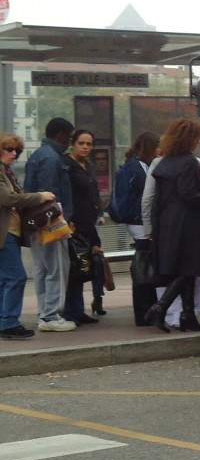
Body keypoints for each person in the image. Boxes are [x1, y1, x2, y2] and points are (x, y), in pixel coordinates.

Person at [143, 119, 200, 333]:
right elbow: (189, 193)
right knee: (189, 268)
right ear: (190, 139)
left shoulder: (161, 163)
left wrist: (149, 227)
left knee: (183, 269)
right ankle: (160, 307)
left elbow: (149, 198)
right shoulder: (191, 163)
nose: (198, 141)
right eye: (197, 138)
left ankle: (187, 316)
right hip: (188, 222)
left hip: (165, 221)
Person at [1, 133, 58, 340]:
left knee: (5, 279)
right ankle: (9, 323)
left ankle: (5, 321)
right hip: (5, 233)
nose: (14, 154)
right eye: (9, 149)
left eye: (17, 151)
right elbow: (7, 198)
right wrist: (39, 197)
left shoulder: (7, 172)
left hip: (12, 232)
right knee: (16, 277)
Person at [23, 117, 76, 333]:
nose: (70, 142)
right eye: (69, 137)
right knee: (57, 269)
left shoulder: (38, 155)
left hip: (33, 222)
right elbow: (51, 194)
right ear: (61, 135)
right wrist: (63, 222)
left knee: (42, 270)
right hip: (51, 222)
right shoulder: (52, 158)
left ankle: (44, 313)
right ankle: (52, 315)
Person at [62, 129, 102, 324]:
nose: (85, 147)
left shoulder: (88, 166)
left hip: (87, 225)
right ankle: (69, 311)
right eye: (81, 143)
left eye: (89, 144)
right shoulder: (67, 165)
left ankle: (78, 310)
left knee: (82, 269)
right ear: (73, 144)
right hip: (72, 225)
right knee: (73, 270)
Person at [119, 132, 159, 325]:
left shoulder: (134, 166)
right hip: (139, 221)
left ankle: (146, 310)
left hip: (137, 221)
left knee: (144, 263)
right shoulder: (137, 168)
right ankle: (145, 311)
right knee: (144, 265)